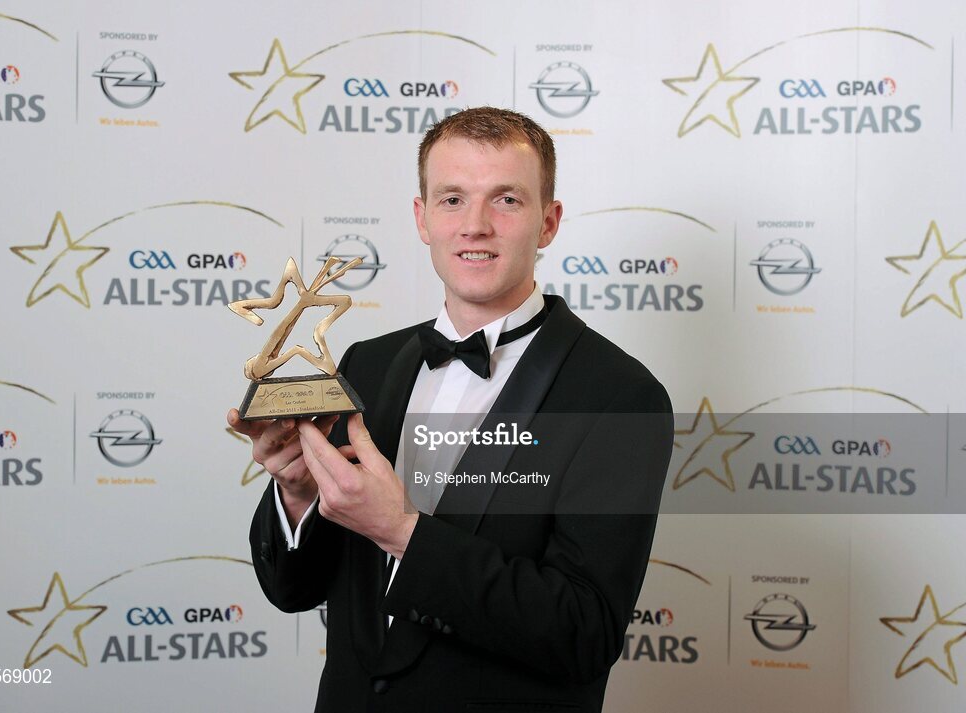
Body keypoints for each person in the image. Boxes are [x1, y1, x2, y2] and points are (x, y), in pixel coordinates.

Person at [227, 107, 674, 712]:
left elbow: (583, 633)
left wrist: (403, 532)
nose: (475, 226)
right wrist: (301, 496)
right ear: (422, 218)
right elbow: (292, 588)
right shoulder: (367, 364)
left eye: (507, 200)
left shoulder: (620, 397)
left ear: (548, 222)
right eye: (453, 199)